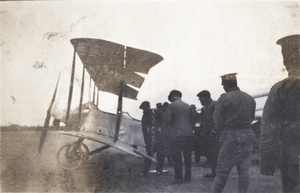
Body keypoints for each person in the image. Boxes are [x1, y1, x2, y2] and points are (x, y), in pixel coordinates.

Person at [259, 34, 300, 193]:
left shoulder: (280, 88)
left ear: (286, 61)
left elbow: (269, 127)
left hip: (292, 153)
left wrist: (268, 164)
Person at [212, 73, 256, 193]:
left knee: (222, 171)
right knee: (244, 172)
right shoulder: (249, 97)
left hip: (230, 137)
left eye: (223, 85)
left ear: (226, 84)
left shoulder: (224, 98)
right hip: (248, 135)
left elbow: (217, 121)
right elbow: (252, 117)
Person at [163, 90, 194, 183]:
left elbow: (167, 120)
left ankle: (178, 177)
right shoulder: (188, 106)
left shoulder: (171, 106)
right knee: (188, 157)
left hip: (177, 135)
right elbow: (193, 119)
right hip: (188, 134)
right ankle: (188, 177)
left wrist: (164, 130)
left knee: (177, 157)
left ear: (172, 97)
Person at [197, 90, 219, 177]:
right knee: (210, 153)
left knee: (216, 153)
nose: (200, 101)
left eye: (201, 99)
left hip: (215, 133)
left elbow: (219, 118)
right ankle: (214, 171)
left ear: (206, 98)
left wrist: (215, 129)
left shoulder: (215, 104)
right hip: (208, 134)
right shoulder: (205, 108)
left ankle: (218, 172)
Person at [139, 101, 154, 176]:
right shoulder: (149, 114)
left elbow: (146, 129)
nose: (144, 110)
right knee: (150, 154)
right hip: (151, 137)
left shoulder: (148, 115)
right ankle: (146, 171)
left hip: (151, 137)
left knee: (150, 154)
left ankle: (145, 171)